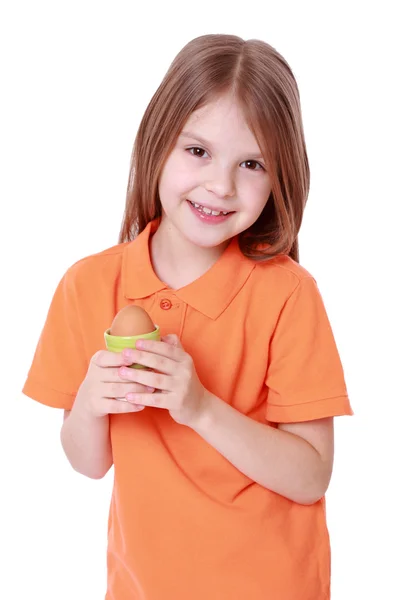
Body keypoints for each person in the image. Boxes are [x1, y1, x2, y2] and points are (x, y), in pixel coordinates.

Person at [22, 33, 353, 600]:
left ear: (280, 180)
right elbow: (88, 462)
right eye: (197, 151)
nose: (220, 185)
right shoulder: (90, 285)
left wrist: (199, 406)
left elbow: (310, 476)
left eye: (252, 163)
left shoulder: (289, 296)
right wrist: (90, 404)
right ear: (156, 145)